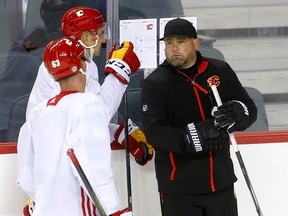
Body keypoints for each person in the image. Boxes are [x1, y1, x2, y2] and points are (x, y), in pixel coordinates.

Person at [141, 18, 257, 216]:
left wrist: (238, 112)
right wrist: (193, 137)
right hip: (179, 190)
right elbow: (154, 132)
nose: (174, 48)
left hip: (222, 184)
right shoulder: (156, 83)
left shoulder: (220, 70)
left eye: (181, 41)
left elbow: (250, 109)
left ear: (195, 43)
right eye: (169, 42)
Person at [17, 36, 139, 215]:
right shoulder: (88, 104)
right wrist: (114, 211)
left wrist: (40, 201)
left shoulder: (39, 112)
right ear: (82, 66)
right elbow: (95, 170)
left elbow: (25, 177)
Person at [26, 6, 153, 166]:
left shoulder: (84, 62)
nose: (103, 40)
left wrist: (117, 132)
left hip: (61, 158)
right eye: (99, 34)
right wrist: (120, 70)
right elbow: (95, 116)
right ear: (86, 37)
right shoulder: (65, 65)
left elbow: (79, 121)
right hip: (57, 164)